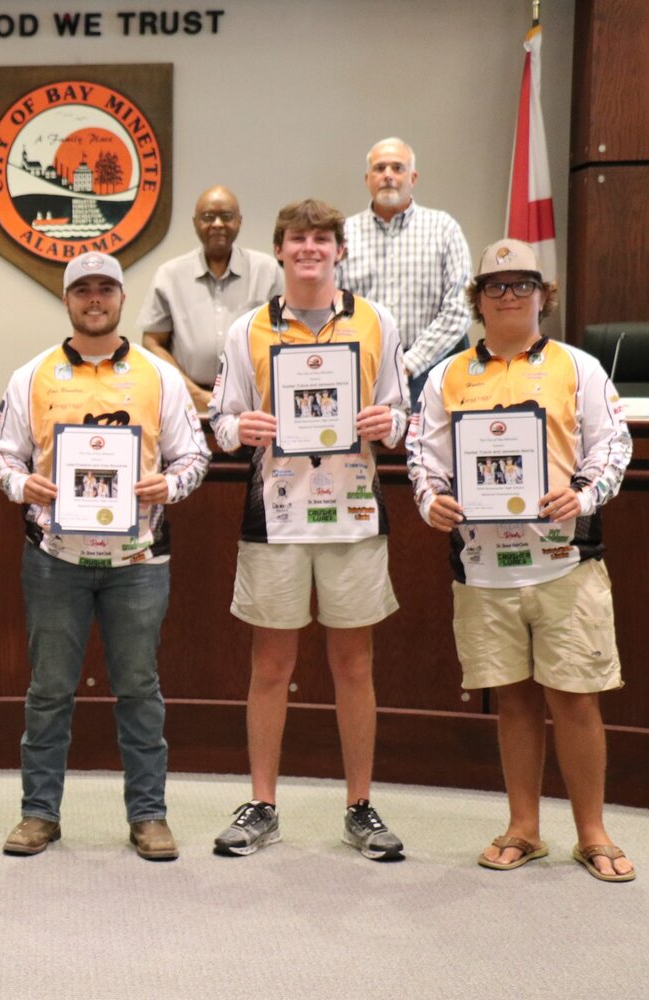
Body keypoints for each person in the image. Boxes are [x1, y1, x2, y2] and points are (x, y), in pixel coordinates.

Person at [407, 239, 635, 882]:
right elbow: (425, 458)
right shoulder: (448, 376)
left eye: (521, 283)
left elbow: (611, 449)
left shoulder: (579, 367)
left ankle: (591, 831)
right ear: (477, 299)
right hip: (484, 570)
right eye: (495, 285)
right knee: (512, 701)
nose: (508, 294)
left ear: (544, 294)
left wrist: (583, 495)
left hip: (565, 565)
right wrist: (431, 502)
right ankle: (524, 827)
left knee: (577, 701)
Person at [0, 251, 209, 859]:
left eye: (105, 289)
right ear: (67, 300)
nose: (94, 299)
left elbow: (195, 457)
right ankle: (38, 814)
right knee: (49, 689)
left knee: (139, 688)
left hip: (137, 563)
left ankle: (149, 816)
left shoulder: (158, 377)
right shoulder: (30, 375)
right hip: (54, 556)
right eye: (82, 289)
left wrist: (172, 485)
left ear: (120, 299)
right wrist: (20, 486)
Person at [207, 198, 408, 861]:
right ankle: (263, 803)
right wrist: (243, 429)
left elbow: (401, 413)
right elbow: (222, 419)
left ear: (339, 251)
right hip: (279, 513)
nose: (311, 249)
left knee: (354, 665)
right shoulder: (247, 331)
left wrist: (390, 425)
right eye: (298, 239)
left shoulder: (377, 322)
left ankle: (360, 805)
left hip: (352, 512)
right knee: (272, 664)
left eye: (323, 239)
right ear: (281, 250)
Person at [336, 138, 472, 406]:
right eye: (379, 168)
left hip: (432, 367)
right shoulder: (343, 234)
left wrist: (408, 363)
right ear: (367, 178)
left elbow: (460, 308)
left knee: (430, 447)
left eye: (397, 168)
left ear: (413, 177)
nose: (387, 175)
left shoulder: (443, 229)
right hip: (363, 370)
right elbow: (332, 308)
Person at [137, 185, 284, 411]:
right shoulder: (169, 275)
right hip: (188, 403)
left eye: (226, 216)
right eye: (208, 217)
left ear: (239, 221)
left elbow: (287, 338)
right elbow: (152, 342)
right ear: (195, 222)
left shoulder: (267, 271)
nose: (217, 224)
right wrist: (194, 393)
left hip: (254, 403)